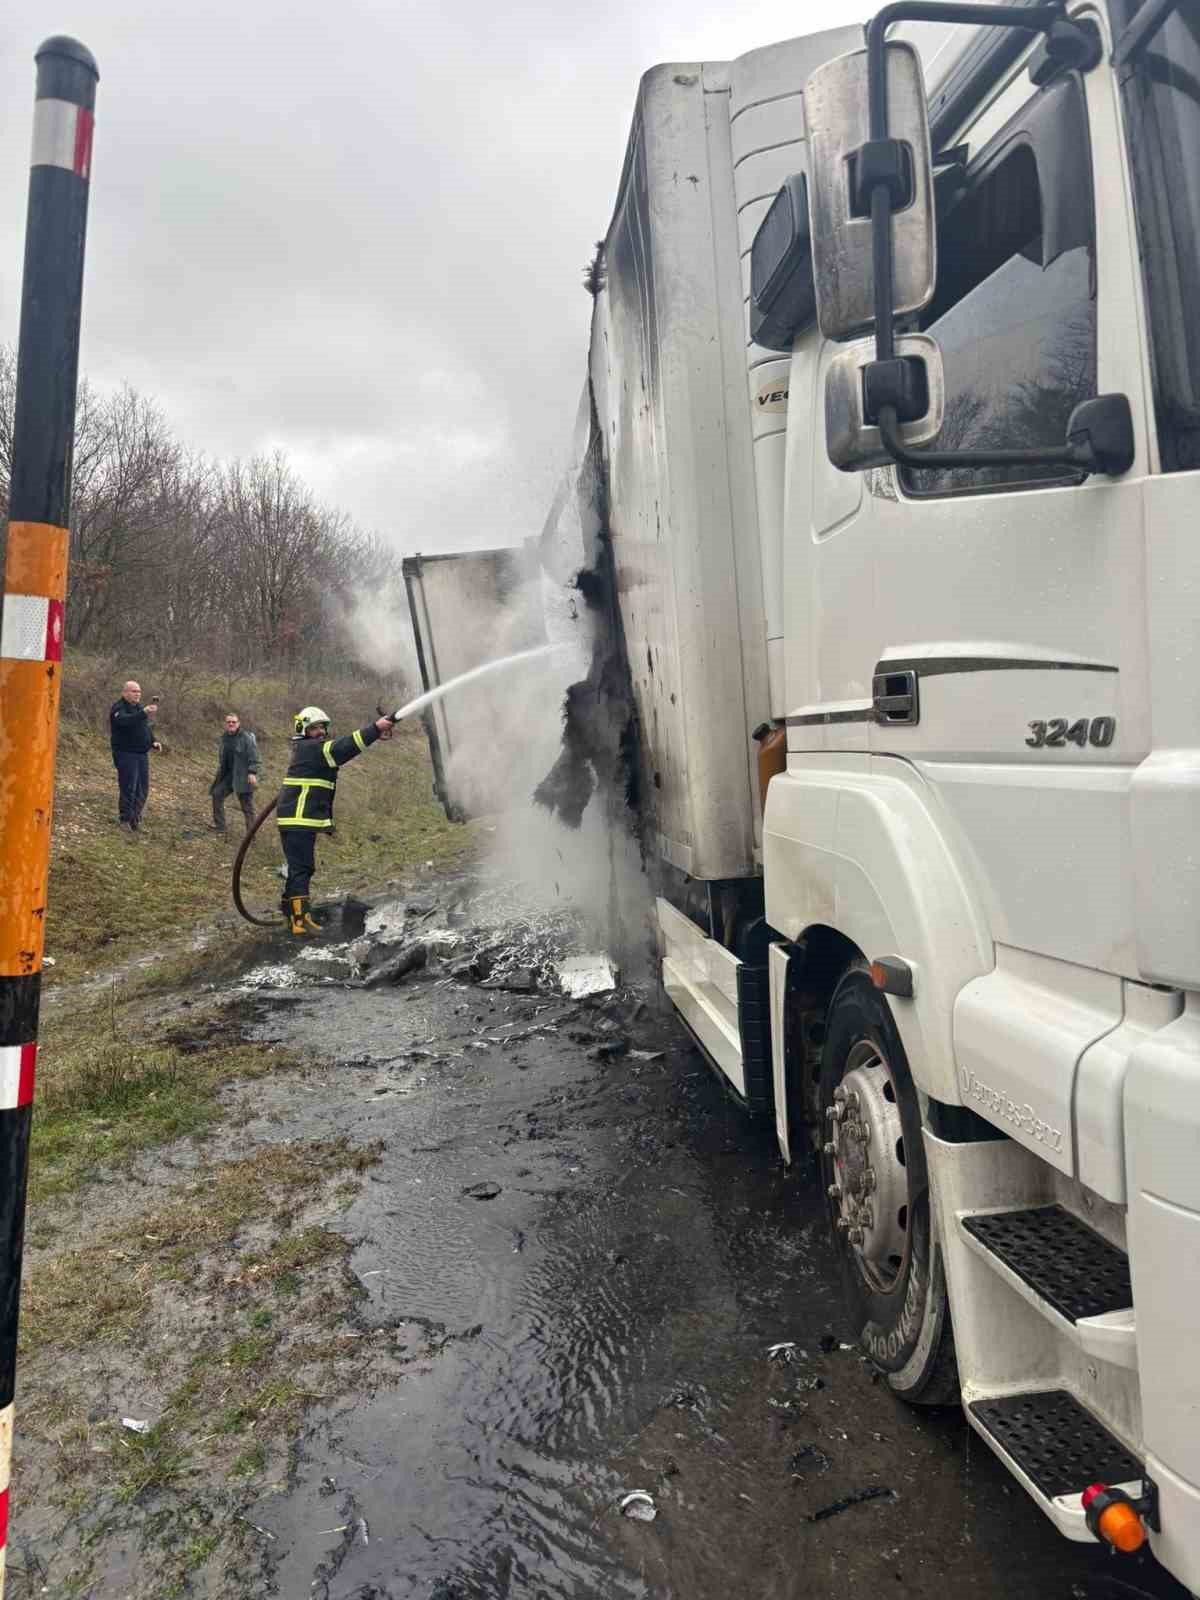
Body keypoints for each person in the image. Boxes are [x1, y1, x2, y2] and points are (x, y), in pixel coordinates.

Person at [277, 704, 394, 935]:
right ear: (303, 730)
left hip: (298, 820)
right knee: (302, 868)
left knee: (299, 868)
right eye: (314, 728)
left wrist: (374, 734)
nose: (320, 732)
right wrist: (375, 728)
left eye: (322, 727)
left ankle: (292, 916)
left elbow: (341, 749)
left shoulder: (309, 749)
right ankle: (301, 921)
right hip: (298, 820)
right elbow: (345, 747)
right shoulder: (311, 748)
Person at [109, 680, 160, 832]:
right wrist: (143, 713)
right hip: (125, 754)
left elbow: (144, 728)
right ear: (125, 692)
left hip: (141, 754)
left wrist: (153, 741)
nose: (137, 694)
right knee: (128, 787)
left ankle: (135, 820)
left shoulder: (138, 708)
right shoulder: (118, 708)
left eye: (139, 691)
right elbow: (124, 721)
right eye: (134, 691)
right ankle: (125, 820)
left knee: (142, 788)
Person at [209, 712, 261, 835]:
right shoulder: (224, 738)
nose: (231, 724)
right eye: (229, 722)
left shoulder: (246, 738)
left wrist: (252, 772)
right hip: (229, 776)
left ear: (238, 723)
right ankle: (221, 827)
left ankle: (251, 836)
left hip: (243, 777)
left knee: (247, 807)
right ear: (225, 724)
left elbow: (255, 757)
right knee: (217, 794)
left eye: (234, 722)